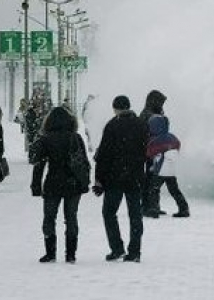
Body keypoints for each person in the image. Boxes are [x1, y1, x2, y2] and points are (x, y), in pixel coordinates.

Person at [29, 106, 91, 263]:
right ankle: (71, 254)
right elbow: (84, 161)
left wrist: (36, 186)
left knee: (49, 218)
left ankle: (50, 252)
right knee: (71, 218)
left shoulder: (46, 139)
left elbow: (39, 164)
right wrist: (85, 182)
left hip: (53, 182)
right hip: (73, 183)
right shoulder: (75, 137)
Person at [93, 95, 149, 262]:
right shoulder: (141, 124)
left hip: (114, 177)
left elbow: (103, 154)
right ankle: (135, 251)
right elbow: (146, 150)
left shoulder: (112, 125)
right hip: (135, 176)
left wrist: (99, 179)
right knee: (135, 215)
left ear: (115, 108)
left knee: (109, 213)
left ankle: (117, 248)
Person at [143, 114, 189, 218]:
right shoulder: (172, 137)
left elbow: (149, 153)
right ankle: (184, 208)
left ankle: (153, 209)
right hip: (171, 170)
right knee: (174, 190)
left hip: (160, 169)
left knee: (153, 189)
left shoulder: (155, 140)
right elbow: (177, 146)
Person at [139, 89, 167, 213]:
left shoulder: (149, 113)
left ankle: (151, 205)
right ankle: (149, 206)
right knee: (151, 179)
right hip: (150, 151)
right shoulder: (148, 115)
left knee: (153, 178)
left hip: (152, 150)